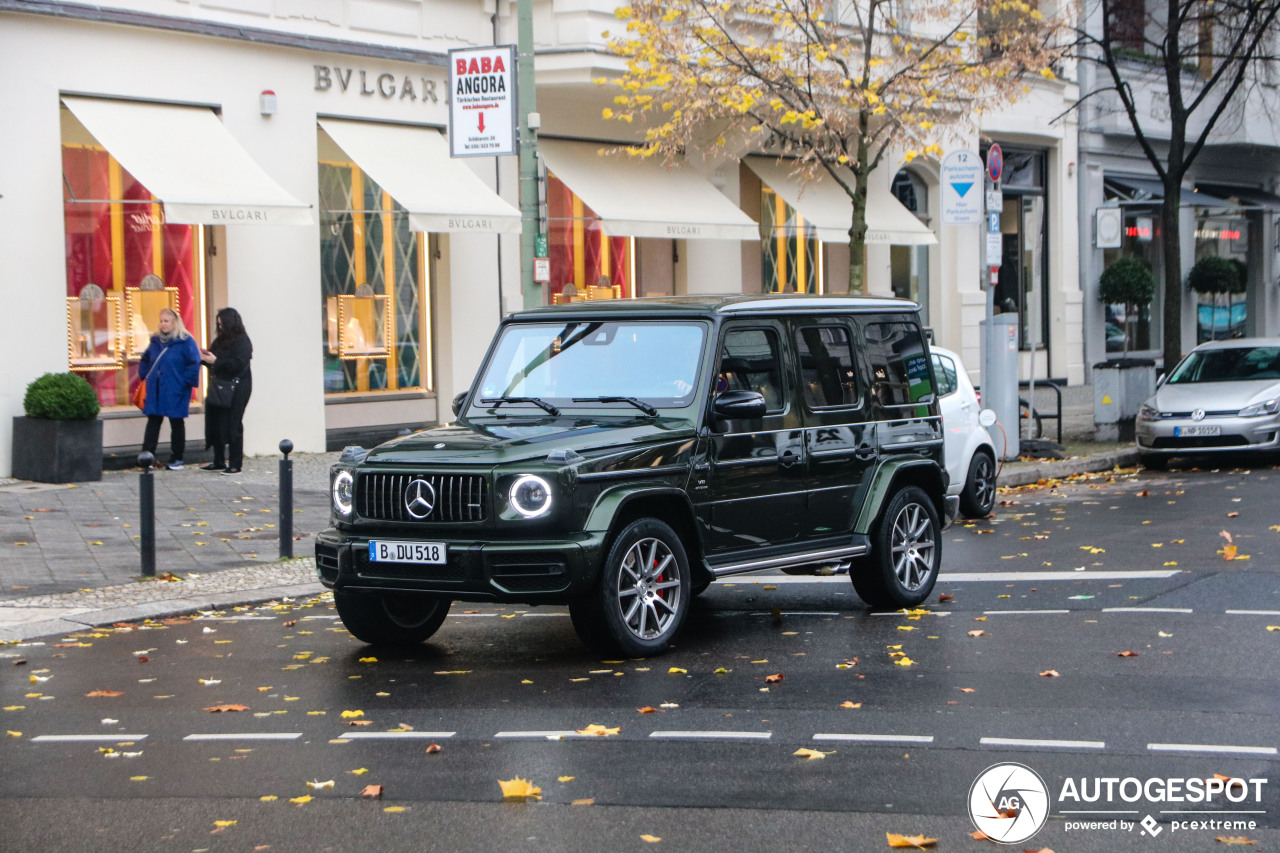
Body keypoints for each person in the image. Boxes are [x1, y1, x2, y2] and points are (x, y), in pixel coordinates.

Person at [138, 307, 201, 470]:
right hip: (156, 389)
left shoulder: (186, 341)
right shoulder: (155, 341)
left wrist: (185, 383)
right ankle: (147, 456)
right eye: (161, 321)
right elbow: (145, 359)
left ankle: (177, 458)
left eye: (166, 321)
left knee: (176, 422)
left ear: (174, 322)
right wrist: (145, 375)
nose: (163, 324)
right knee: (153, 421)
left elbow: (194, 362)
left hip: (176, 388)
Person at [200, 307, 253, 474]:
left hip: (238, 387)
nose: (220, 328)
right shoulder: (220, 341)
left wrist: (216, 360)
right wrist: (206, 358)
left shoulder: (243, 341)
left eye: (222, 324)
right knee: (216, 421)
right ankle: (218, 460)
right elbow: (215, 363)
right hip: (220, 386)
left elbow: (237, 363)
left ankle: (235, 462)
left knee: (233, 423)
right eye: (218, 325)